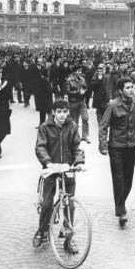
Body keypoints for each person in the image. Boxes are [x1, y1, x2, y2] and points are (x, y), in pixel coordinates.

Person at [32, 99, 84, 251]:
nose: (62, 115)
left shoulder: (72, 126)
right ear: (53, 112)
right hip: (51, 169)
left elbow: (76, 146)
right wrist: (48, 163)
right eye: (59, 112)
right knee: (47, 203)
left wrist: (79, 162)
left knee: (69, 204)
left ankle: (68, 238)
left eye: (65, 112)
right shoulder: (45, 127)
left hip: (67, 169)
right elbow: (40, 147)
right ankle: (42, 231)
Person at [99, 77, 135, 226]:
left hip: (131, 146)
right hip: (116, 146)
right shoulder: (112, 105)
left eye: (132, 87)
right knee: (118, 178)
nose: (131, 90)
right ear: (120, 91)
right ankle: (121, 210)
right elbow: (103, 126)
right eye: (128, 88)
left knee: (128, 180)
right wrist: (103, 145)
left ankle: (120, 204)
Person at [66, 65, 90, 144]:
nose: (80, 72)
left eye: (80, 71)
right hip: (73, 102)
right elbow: (68, 91)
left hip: (82, 102)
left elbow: (86, 87)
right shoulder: (69, 80)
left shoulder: (82, 79)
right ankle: (75, 136)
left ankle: (85, 136)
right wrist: (78, 93)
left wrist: (84, 90)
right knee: (74, 120)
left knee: (85, 118)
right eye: (79, 71)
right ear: (74, 72)